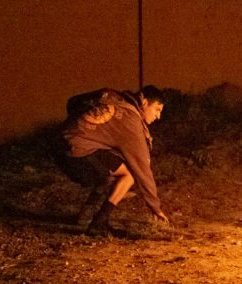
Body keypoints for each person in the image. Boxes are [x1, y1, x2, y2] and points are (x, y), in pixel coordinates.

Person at [60, 85, 169, 234]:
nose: (158, 116)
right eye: (157, 109)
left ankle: (84, 216)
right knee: (130, 173)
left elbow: (73, 101)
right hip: (76, 153)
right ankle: (99, 223)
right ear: (144, 103)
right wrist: (155, 208)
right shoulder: (131, 122)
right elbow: (142, 169)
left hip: (60, 143)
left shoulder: (114, 98)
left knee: (112, 167)